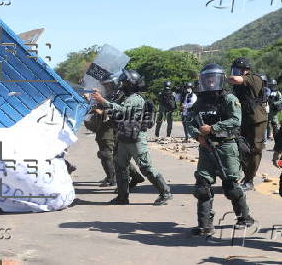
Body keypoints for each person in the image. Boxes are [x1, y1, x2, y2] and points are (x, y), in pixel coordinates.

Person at [186, 63, 255, 236]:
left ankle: (245, 218)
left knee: (231, 187)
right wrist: (198, 136)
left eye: (213, 78)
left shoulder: (229, 99)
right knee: (202, 187)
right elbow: (190, 121)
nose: (210, 81)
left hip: (226, 147)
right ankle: (205, 224)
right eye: (207, 78)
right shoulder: (200, 101)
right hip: (206, 148)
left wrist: (213, 128)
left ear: (219, 79)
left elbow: (235, 121)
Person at [91, 70, 172, 205]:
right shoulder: (125, 96)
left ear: (131, 84)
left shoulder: (135, 98)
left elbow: (121, 110)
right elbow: (113, 108)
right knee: (120, 166)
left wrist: (103, 100)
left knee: (145, 167)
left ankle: (165, 192)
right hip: (124, 135)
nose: (122, 83)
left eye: (125, 81)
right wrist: (99, 99)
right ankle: (122, 197)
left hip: (136, 137)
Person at [228, 58, 267, 191]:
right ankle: (246, 176)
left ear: (245, 70)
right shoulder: (239, 85)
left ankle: (249, 180)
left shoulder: (254, 78)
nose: (235, 73)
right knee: (242, 148)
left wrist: (221, 77)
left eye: (237, 70)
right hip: (243, 120)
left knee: (255, 150)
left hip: (257, 119)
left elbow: (235, 79)